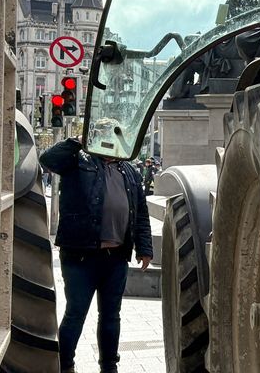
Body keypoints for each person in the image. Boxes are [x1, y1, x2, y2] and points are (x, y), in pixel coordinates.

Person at [39, 138, 153, 373]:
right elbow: (47, 159)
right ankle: (64, 364)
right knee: (76, 313)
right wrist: (77, 142)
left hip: (117, 257)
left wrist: (144, 248)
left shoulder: (129, 171)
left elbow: (140, 213)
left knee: (111, 316)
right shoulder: (77, 161)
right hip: (81, 256)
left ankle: (109, 366)